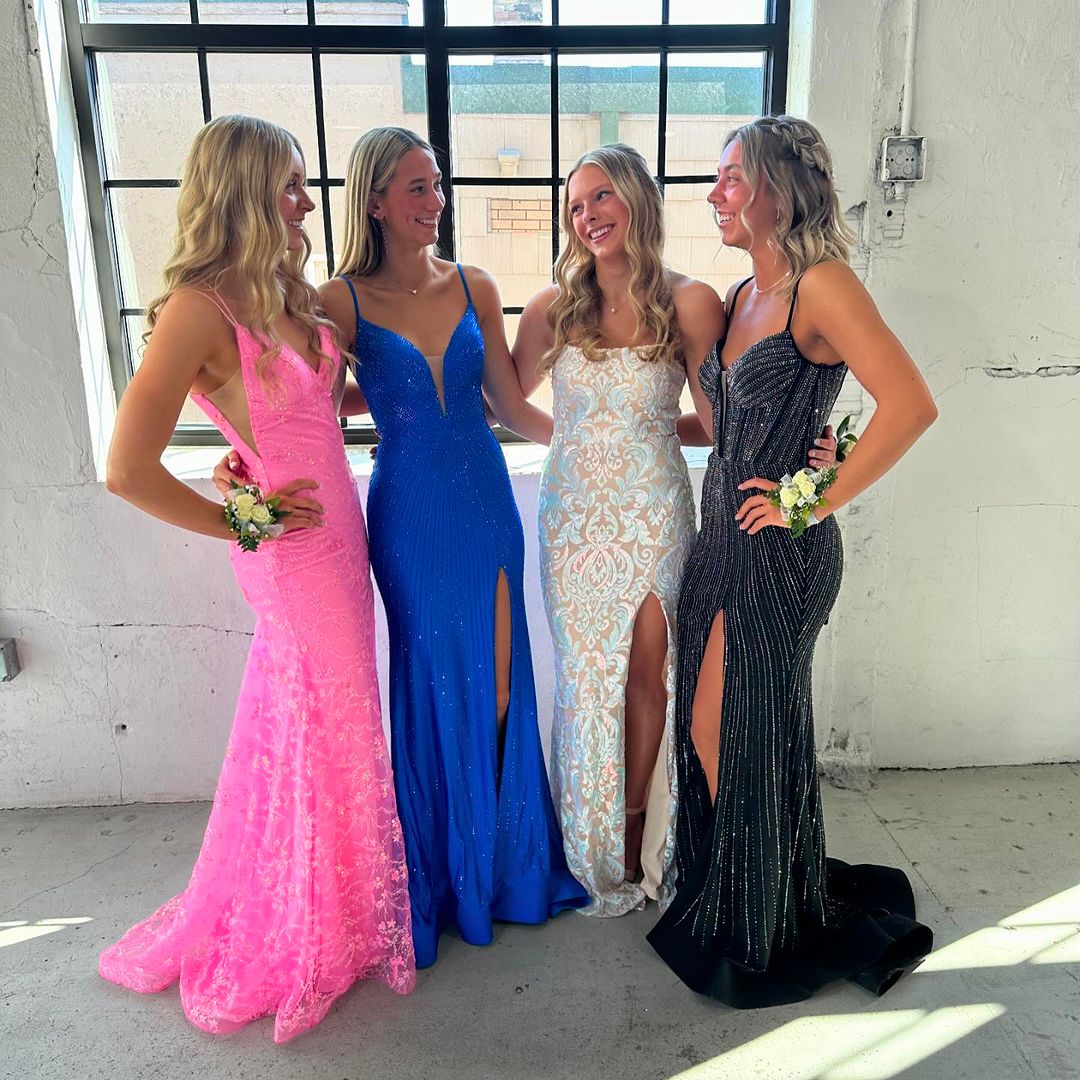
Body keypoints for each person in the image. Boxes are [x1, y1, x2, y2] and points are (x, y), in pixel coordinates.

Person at [99, 115, 414, 1043]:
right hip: (291, 560)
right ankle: (308, 927)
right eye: (289, 185)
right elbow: (126, 468)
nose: (306, 202)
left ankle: (339, 909)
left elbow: (310, 413)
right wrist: (240, 518)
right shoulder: (197, 309)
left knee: (334, 726)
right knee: (322, 726)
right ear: (241, 188)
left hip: (343, 543)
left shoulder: (284, 292)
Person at [647, 115, 937, 1006]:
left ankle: (763, 914)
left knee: (727, 726)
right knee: (719, 727)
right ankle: (747, 886)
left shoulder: (824, 284)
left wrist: (812, 495)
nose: (715, 194)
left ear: (780, 187)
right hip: (718, 538)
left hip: (781, 550)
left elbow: (910, 405)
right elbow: (731, 424)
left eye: (733, 177)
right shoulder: (741, 296)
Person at [512, 145, 833, 916]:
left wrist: (814, 452)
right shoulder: (550, 307)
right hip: (574, 514)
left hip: (652, 510)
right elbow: (504, 398)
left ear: (637, 199)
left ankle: (637, 835)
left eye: (600, 197)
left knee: (648, 674)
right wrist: (576, 439)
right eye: (575, 204)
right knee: (584, 679)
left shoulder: (692, 302)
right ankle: (587, 847)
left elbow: (725, 424)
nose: (587, 216)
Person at [318, 127, 587, 968]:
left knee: (500, 685)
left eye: (436, 184)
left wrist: (597, 444)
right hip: (406, 514)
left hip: (484, 506)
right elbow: (309, 403)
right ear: (374, 200)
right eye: (415, 187)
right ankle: (441, 879)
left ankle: (504, 870)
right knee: (432, 686)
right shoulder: (337, 300)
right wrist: (247, 458)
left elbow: (508, 403)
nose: (434, 201)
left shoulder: (475, 283)